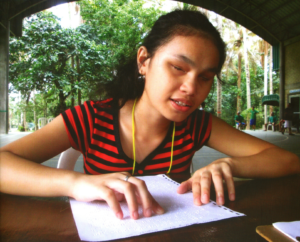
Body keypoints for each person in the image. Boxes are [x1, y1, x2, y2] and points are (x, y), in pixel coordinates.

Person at [1, 10, 299, 221]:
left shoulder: (198, 125)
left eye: (206, 77)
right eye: (178, 68)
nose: (191, 88)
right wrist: (75, 184)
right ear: (144, 61)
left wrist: (230, 164)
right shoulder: (92, 118)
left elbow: (288, 161)